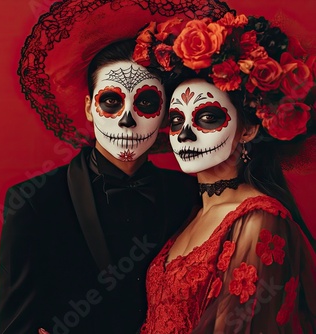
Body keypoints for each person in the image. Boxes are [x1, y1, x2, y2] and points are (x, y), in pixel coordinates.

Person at [0, 0, 232, 333]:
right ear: (89, 107)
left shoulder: (190, 196)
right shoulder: (34, 202)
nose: (126, 120)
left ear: (166, 114)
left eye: (147, 103)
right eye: (111, 100)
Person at [132, 12, 316, 333]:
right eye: (176, 121)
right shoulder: (194, 211)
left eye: (206, 118)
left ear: (248, 130)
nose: (184, 135)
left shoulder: (259, 219)